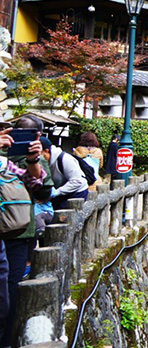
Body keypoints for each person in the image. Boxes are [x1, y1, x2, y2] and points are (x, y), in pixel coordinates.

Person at [0, 119, 50, 347]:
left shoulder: (6, 162)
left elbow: (38, 184)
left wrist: (32, 159)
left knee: (7, 295)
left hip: (15, 232)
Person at [41, 138, 89, 211]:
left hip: (76, 192)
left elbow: (77, 181)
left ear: (46, 151)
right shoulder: (44, 163)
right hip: (61, 192)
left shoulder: (65, 159)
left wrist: (56, 192)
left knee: (63, 214)